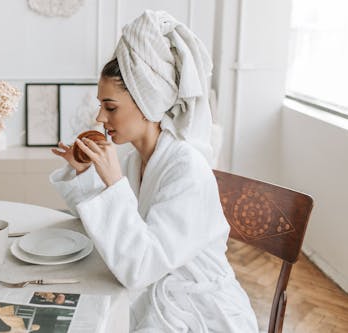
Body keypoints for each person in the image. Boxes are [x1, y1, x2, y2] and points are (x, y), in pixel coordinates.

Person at [50, 10, 259, 332]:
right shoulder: (135, 161)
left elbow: (140, 266)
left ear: (147, 102)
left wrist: (113, 183)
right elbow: (117, 236)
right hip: (152, 295)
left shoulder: (186, 168)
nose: (100, 118)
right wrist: (84, 175)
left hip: (200, 313)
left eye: (111, 107)